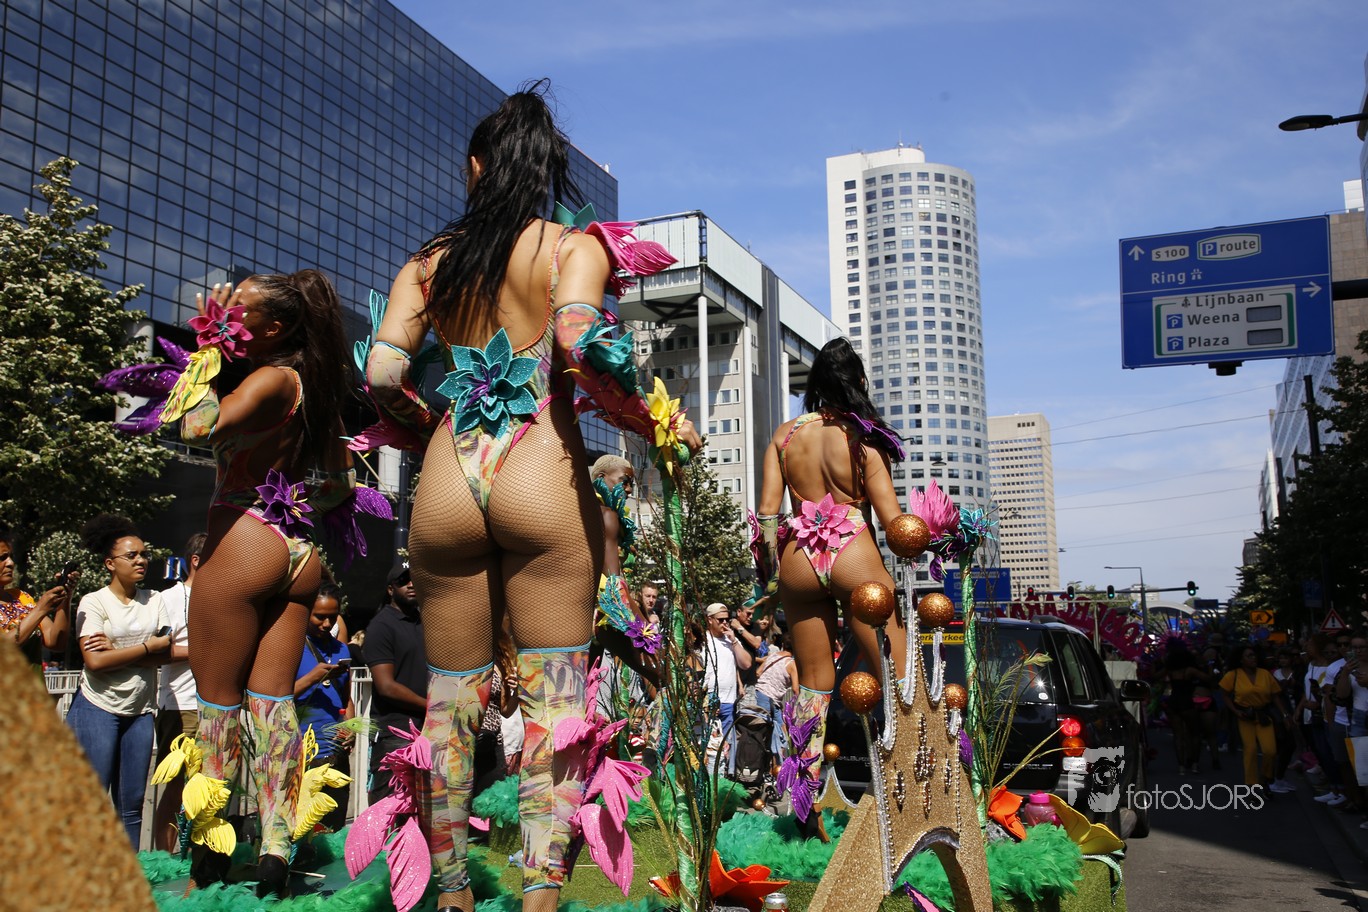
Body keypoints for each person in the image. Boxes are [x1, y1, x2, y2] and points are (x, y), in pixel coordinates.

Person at [361, 83, 696, 912]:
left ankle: (449, 896)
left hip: (449, 478)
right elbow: (580, 342)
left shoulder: (429, 265)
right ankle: (540, 899)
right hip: (540, 470)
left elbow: (382, 373)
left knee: (450, 702)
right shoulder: (571, 247)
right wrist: (655, 420)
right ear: (547, 173)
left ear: (476, 168)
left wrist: (427, 424)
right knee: (555, 703)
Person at [172, 270, 355, 896]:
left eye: (236, 308)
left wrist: (204, 353)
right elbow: (339, 487)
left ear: (274, 328)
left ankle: (210, 853)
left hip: (244, 534)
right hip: (298, 549)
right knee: (273, 703)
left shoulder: (271, 378)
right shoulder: (312, 390)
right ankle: (277, 845)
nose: (221, 310)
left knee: (218, 706)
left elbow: (196, 427)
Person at [756, 336, 908, 825]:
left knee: (812, 689)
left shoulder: (784, 436)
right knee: (901, 678)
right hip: (852, 549)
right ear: (858, 380)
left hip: (797, 557)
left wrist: (770, 582)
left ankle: (803, 810)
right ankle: (917, 800)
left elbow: (766, 518)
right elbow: (893, 521)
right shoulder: (863, 436)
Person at [66, 514, 171, 848]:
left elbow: (165, 651)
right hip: (96, 708)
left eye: (144, 554)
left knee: (132, 805)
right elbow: (95, 662)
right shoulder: (94, 601)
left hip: (139, 713)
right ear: (110, 564)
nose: (141, 560)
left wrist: (118, 651)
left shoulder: (155, 599)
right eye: (131, 555)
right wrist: (146, 647)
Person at [153, 532, 205, 852]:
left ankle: (197, 858)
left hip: (216, 705)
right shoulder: (169, 599)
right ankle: (164, 859)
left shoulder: (222, 598)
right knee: (176, 788)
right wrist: (203, 651)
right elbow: (160, 651)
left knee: (206, 789)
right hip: (180, 705)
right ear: (196, 561)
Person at [364, 557, 428, 803]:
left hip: (427, 729)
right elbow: (386, 687)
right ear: (391, 589)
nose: (411, 584)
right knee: (391, 806)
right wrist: (430, 706)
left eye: (414, 579)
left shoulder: (425, 622)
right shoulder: (381, 626)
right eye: (403, 581)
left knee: (424, 807)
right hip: (395, 732)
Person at [293, 582, 353, 831]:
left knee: (332, 828)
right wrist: (312, 677)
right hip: (302, 753)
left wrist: (350, 727)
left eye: (332, 617)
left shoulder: (341, 649)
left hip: (335, 756)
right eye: (319, 617)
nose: (327, 624)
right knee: (304, 828)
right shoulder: (292, 646)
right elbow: (277, 697)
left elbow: (346, 698)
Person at [1219, 644, 1290, 787]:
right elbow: (1225, 695)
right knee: (1250, 750)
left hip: (1263, 715)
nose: (1253, 658)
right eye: (1249, 656)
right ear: (1241, 660)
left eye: (1254, 655)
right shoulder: (1233, 675)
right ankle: (1251, 784)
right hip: (1245, 716)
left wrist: (1285, 715)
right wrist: (1236, 711)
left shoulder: (1265, 674)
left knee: (1270, 750)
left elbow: (1275, 696)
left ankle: (1266, 776)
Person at [0, 527, 71, 666]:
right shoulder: (36, 609)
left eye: (10, 557)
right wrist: (40, 609)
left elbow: (56, 642)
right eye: (2, 558)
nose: (10, 563)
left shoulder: (21, 598)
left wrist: (65, 596)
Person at [702, 601, 752, 772]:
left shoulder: (730, 640)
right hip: (709, 700)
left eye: (727, 620)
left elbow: (746, 664)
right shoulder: (703, 640)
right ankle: (709, 774)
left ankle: (724, 775)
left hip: (729, 700)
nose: (725, 623)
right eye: (720, 620)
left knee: (727, 743)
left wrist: (734, 641)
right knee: (709, 743)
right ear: (710, 620)